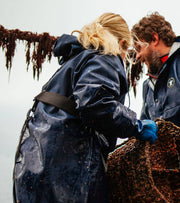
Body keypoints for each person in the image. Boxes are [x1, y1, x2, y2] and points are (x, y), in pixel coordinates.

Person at [13, 13, 158, 203]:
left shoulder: (75, 59)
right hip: (68, 172)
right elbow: (95, 103)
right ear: (122, 43)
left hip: (33, 166)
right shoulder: (105, 57)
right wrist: (136, 126)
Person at [131, 12, 180, 127]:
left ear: (154, 38)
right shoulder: (147, 87)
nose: (137, 56)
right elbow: (144, 126)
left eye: (139, 48)